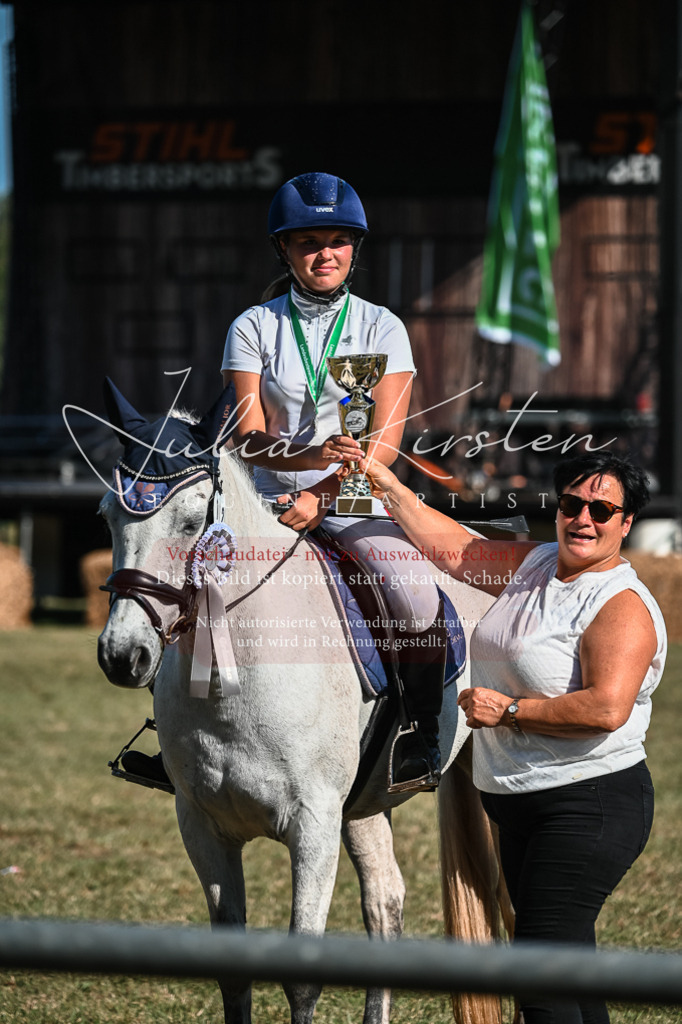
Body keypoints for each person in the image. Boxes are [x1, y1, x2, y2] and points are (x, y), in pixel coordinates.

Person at [123, 171, 447, 793]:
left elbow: (386, 437)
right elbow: (245, 436)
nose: (324, 253)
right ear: (284, 249)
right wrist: (308, 457)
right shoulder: (252, 325)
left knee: (414, 595)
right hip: (258, 501)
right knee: (179, 588)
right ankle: (177, 744)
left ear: (355, 248)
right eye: (308, 242)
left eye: (337, 241)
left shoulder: (383, 328)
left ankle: (419, 741)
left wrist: (325, 493)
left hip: (356, 496)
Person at [359, 449, 666, 1024]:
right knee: (570, 969)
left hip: (588, 805)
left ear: (626, 524)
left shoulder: (620, 606)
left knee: (539, 982)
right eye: (573, 504)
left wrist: (511, 713)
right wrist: (386, 485)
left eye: (603, 510)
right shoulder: (537, 563)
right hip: (523, 804)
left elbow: (606, 708)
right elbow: (455, 549)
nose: (584, 519)